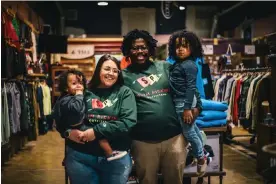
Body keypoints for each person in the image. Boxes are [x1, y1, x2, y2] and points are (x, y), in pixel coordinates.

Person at [121, 29, 202, 184]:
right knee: (147, 181)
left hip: (174, 139)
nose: (140, 51)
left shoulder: (165, 67)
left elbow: (190, 87)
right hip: (142, 142)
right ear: (128, 51)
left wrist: (197, 108)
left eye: (143, 47)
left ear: (150, 48)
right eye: (135, 48)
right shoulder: (123, 76)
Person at [56, 54, 137, 184]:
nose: (111, 73)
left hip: (116, 159)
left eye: (115, 71)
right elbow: (61, 116)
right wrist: (67, 132)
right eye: (107, 69)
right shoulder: (83, 90)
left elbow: (128, 122)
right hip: (81, 158)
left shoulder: (124, 92)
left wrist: (96, 131)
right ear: (98, 69)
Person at [52, 69, 127, 161]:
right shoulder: (67, 99)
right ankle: (110, 153)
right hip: (77, 129)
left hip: (80, 131)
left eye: (80, 83)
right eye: (74, 83)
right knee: (99, 135)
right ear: (66, 88)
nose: (79, 86)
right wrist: (67, 132)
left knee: (98, 135)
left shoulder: (79, 95)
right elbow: (73, 111)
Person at [168, 30, 208, 177]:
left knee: (188, 132)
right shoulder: (179, 63)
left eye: (185, 46)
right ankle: (201, 147)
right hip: (182, 101)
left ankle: (200, 158)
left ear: (192, 48)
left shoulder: (189, 65)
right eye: (178, 46)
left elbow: (191, 87)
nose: (180, 49)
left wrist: (186, 108)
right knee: (192, 128)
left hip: (184, 101)